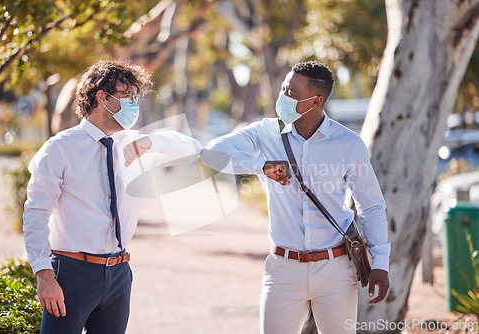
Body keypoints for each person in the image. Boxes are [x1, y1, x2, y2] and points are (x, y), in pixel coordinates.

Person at [200, 61, 390, 334]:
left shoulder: (348, 144)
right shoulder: (264, 133)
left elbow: (371, 206)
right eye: (283, 89)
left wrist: (380, 263)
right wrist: (261, 166)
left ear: (315, 101)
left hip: (336, 269)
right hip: (283, 270)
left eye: (291, 92)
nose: (282, 97)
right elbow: (211, 152)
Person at [23, 60, 201, 334]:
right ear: (101, 97)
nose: (133, 103)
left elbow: (193, 149)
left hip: (119, 274)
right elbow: (36, 214)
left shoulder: (132, 143)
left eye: (135, 96)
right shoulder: (59, 148)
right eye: (126, 95)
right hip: (71, 273)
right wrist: (44, 275)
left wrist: (152, 142)